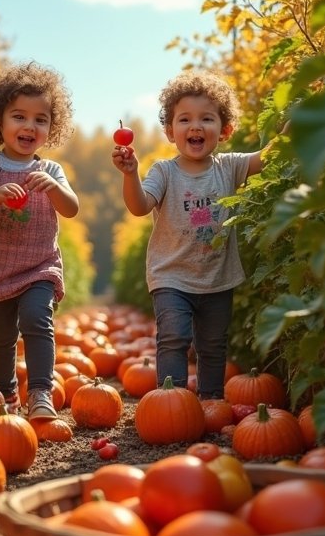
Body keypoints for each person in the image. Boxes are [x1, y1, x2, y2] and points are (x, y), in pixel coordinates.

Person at [111, 68, 268, 400]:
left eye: (207, 119)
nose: (195, 126)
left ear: (224, 130)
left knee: (213, 344)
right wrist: (130, 174)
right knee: (173, 338)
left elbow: (265, 160)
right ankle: (172, 400)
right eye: (184, 120)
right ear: (170, 132)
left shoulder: (230, 167)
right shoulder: (163, 172)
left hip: (217, 277)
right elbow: (139, 206)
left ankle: (211, 402)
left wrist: (291, 131)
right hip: (172, 276)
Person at [0, 61, 79, 420]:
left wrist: (54, 188)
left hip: (39, 266)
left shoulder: (50, 170)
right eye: (19, 116)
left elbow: (71, 209)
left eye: (41, 119)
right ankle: (5, 396)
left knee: (38, 319)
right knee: (1, 336)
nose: (29, 126)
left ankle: (40, 392)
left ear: (51, 128)